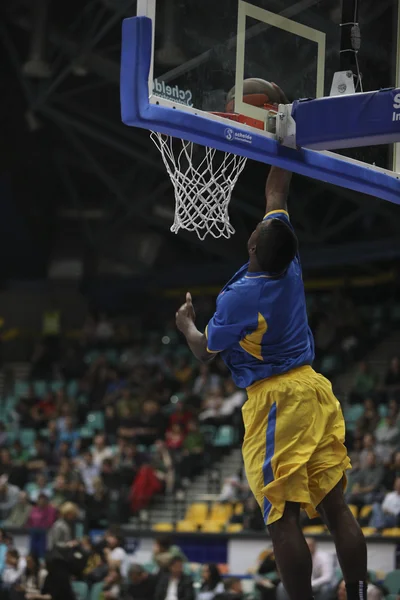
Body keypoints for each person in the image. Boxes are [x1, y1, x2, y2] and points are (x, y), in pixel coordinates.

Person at [175, 162, 367, 600]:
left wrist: (186, 324)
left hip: (276, 399)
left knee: (282, 518)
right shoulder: (290, 257)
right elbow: (277, 192)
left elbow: (205, 350)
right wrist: (282, 133)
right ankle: (357, 593)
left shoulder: (241, 296)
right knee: (336, 507)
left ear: (253, 244)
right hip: (315, 388)